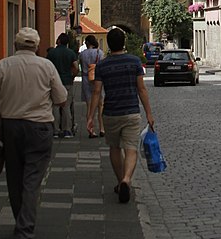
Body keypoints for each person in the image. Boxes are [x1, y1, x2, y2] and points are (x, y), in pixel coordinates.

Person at [0, 27, 67, 239]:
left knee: (14, 177)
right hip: (39, 127)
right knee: (31, 180)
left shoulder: (3, 65)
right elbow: (61, 98)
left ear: (15, 45)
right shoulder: (46, 66)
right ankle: (24, 231)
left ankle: (21, 224)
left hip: (10, 128)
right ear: (37, 46)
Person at [87, 27, 154, 204]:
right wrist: (148, 113)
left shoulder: (102, 65)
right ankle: (127, 179)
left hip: (111, 113)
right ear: (123, 43)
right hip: (131, 111)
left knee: (114, 148)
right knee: (131, 148)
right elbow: (142, 89)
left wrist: (90, 116)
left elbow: (96, 92)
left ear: (108, 44)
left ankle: (119, 181)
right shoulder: (134, 62)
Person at [47, 33, 78, 138]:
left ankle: (56, 130)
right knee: (66, 106)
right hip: (67, 81)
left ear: (59, 41)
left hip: (55, 82)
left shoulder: (52, 53)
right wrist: (72, 76)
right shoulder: (71, 53)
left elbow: (47, 67)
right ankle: (67, 130)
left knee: (55, 106)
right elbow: (76, 67)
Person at [79, 34, 105, 137]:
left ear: (87, 43)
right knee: (100, 105)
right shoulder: (100, 53)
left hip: (86, 79)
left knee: (89, 106)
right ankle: (102, 129)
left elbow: (80, 65)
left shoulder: (82, 54)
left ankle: (91, 130)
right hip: (98, 79)